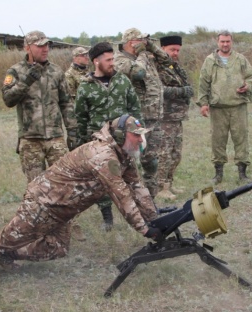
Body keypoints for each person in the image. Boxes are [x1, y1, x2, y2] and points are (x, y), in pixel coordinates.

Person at [0, 115, 164, 285]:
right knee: (7, 237)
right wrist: (144, 229)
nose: (140, 139)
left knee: (56, 249)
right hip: (43, 203)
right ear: (120, 135)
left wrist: (156, 218)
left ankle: (3, 255)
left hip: (64, 209)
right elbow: (122, 195)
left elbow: (137, 187)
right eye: (136, 135)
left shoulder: (122, 155)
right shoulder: (103, 156)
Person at [1, 30, 84, 241]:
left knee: (65, 185)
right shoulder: (16, 71)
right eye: (40, 45)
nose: (45, 49)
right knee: (36, 189)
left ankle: (68, 226)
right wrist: (27, 80)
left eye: (47, 45)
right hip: (30, 140)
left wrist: (72, 131)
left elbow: (66, 103)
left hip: (55, 138)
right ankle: (37, 230)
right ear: (27, 47)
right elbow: (8, 99)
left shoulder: (57, 72)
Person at [75, 41, 142, 231]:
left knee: (132, 178)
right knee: (102, 182)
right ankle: (107, 217)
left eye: (113, 58)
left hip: (123, 142)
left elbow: (135, 108)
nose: (113, 63)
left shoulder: (123, 81)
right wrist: (81, 144)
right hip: (99, 144)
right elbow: (80, 118)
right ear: (96, 62)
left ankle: (140, 214)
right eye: (108, 60)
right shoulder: (85, 87)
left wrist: (139, 134)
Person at [114, 28, 173, 198]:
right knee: (133, 161)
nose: (144, 44)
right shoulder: (121, 60)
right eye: (141, 40)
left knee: (152, 160)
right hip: (137, 119)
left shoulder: (146, 55)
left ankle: (151, 198)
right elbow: (138, 73)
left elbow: (168, 61)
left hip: (155, 116)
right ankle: (133, 197)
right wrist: (141, 54)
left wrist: (152, 48)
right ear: (132, 42)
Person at [197, 30, 252, 184]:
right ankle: (218, 174)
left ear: (231, 42)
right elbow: (203, 83)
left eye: (227, 41)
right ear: (218, 42)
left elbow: (251, 77)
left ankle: (242, 173)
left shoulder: (240, 59)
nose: (225, 44)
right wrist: (203, 104)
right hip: (218, 107)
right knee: (218, 140)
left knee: (241, 138)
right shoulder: (210, 61)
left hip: (238, 106)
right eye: (222, 41)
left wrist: (247, 86)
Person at [155, 35, 193, 200]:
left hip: (176, 116)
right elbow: (157, 90)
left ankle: (169, 183)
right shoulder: (155, 66)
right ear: (163, 49)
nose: (176, 53)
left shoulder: (173, 66)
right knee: (163, 153)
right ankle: (160, 187)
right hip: (164, 116)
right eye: (172, 49)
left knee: (175, 153)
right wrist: (182, 91)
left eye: (178, 50)